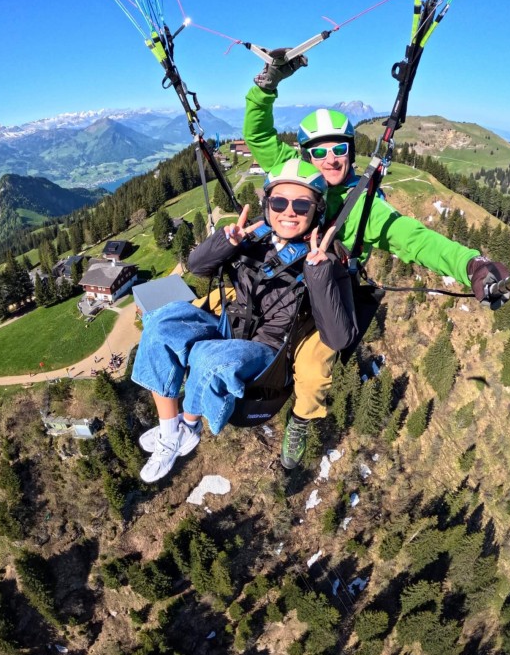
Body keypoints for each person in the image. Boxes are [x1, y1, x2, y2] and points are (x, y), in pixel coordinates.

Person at [243, 49, 510, 467]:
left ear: (351, 151)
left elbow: (416, 240)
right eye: (319, 152)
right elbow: (258, 135)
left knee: (312, 375)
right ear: (304, 155)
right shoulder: (288, 168)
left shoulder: (364, 206)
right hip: (276, 280)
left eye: (339, 149)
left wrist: (471, 264)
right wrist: (266, 86)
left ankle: (300, 420)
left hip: (322, 301)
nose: (331, 159)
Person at [131, 158, 359, 483]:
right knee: (159, 323)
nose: (289, 211)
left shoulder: (327, 257)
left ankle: (190, 426)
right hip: (229, 323)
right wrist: (226, 243)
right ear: (268, 204)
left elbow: (338, 337)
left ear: (316, 210)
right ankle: (171, 430)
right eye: (279, 202)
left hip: (266, 350)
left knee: (209, 359)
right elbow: (197, 267)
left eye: (301, 204)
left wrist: (320, 271)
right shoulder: (254, 237)